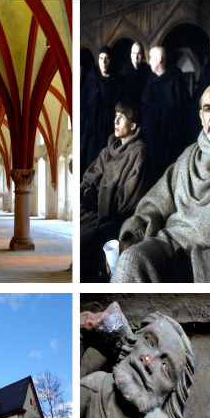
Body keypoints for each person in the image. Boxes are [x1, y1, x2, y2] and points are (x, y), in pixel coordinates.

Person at [111, 83, 210, 283]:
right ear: (201, 117)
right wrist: (132, 236)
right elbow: (156, 201)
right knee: (130, 261)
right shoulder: (188, 156)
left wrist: (194, 269)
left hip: (201, 262)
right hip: (166, 244)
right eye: (207, 108)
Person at [79, 100, 150, 282]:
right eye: (115, 116)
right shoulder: (107, 151)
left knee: (83, 240)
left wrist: (100, 198)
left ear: (133, 125)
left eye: (122, 117)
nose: (116, 121)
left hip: (113, 217)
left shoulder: (139, 154)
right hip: (93, 212)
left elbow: (129, 197)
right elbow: (89, 178)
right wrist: (87, 193)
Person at [141, 46, 191, 182]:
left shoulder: (176, 82)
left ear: (159, 59)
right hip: (150, 148)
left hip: (170, 150)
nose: (149, 61)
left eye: (151, 58)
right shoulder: (150, 82)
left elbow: (184, 119)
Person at [80, 46, 127, 177]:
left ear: (110, 61)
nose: (104, 62)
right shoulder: (91, 81)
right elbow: (82, 111)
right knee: (91, 169)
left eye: (107, 59)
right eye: (101, 58)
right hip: (92, 135)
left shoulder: (118, 82)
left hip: (110, 133)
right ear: (98, 60)